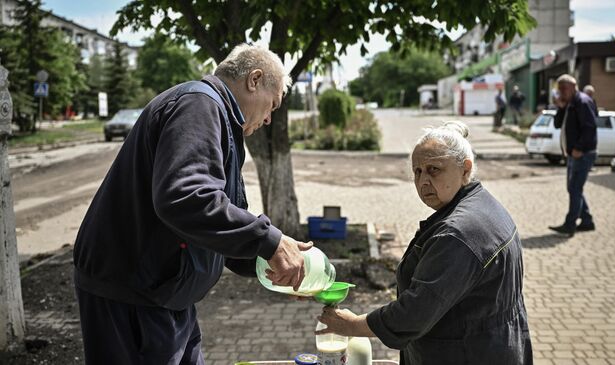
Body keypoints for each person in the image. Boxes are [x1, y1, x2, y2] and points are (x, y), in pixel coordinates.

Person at [73, 44, 312, 364]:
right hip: (133, 296)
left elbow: (210, 217)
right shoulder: (199, 105)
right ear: (254, 80)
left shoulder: (217, 115)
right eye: (272, 105)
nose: (269, 119)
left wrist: (263, 258)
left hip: (165, 295)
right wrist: (268, 241)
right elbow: (185, 198)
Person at [317, 121, 533, 365]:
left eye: (434, 169)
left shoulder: (457, 234)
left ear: (465, 170)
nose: (423, 181)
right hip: (493, 345)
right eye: (417, 172)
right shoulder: (481, 203)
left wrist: (354, 325)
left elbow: (414, 313)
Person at [549, 74, 598, 237]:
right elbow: (557, 124)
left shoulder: (582, 102)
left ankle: (570, 224)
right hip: (572, 153)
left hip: (582, 153)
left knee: (575, 188)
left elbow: (590, 127)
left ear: (574, 86)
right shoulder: (569, 103)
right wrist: (561, 107)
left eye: (564, 88)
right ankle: (587, 221)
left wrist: (579, 148)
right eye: (559, 89)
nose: (561, 92)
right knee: (573, 188)